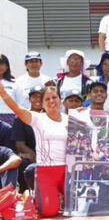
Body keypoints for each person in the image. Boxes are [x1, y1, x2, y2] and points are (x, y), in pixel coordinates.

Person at [0, 83, 68, 217]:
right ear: (42, 104)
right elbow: (17, 109)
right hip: (46, 172)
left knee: (74, 210)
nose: (51, 101)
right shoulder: (37, 118)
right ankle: (38, 197)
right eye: (47, 99)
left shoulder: (70, 119)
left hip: (68, 173)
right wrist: (3, 93)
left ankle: (60, 198)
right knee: (49, 212)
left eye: (54, 97)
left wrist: (84, 113)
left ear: (60, 100)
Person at [12, 85, 42, 193]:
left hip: (50, 155)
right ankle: (24, 192)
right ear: (29, 99)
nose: (38, 99)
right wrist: (36, 158)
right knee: (23, 163)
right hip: (30, 155)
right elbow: (20, 144)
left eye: (41, 96)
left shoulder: (50, 116)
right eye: (35, 96)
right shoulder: (21, 117)